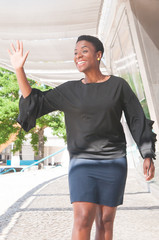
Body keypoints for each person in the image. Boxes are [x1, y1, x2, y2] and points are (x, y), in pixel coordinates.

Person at [8, 35, 156, 240]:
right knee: (83, 218)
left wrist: (147, 154)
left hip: (113, 162)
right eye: (75, 53)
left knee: (105, 221)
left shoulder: (118, 86)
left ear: (98, 55)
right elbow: (35, 101)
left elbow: (137, 118)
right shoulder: (69, 90)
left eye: (84, 51)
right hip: (82, 163)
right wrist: (19, 69)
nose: (78, 56)